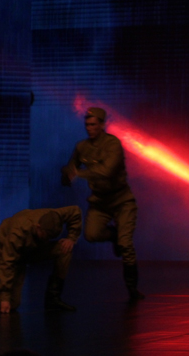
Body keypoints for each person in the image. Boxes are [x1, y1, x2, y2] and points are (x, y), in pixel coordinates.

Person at [62, 106, 143, 301]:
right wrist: (67, 175)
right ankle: (114, 235)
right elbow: (70, 168)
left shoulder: (112, 144)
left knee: (126, 245)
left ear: (102, 125)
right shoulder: (82, 147)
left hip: (121, 200)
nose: (89, 128)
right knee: (91, 235)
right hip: (99, 201)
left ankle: (132, 288)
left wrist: (79, 173)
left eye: (93, 124)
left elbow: (107, 171)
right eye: (87, 124)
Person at [0, 206, 81, 313]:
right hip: (6, 253)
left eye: (50, 237)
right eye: (45, 236)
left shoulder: (53, 216)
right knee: (12, 304)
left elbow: (75, 211)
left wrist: (71, 238)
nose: (47, 239)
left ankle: (53, 299)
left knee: (65, 249)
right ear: (38, 227)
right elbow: (7, 262)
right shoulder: (18, 232)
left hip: (31, 248)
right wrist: (5, 297)